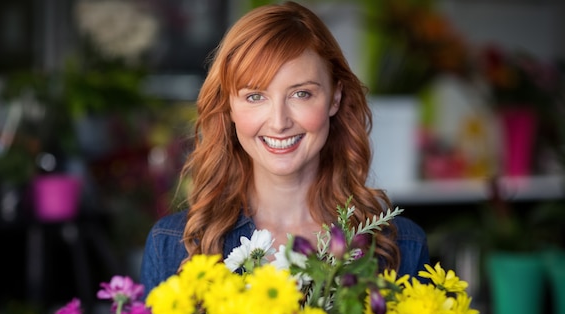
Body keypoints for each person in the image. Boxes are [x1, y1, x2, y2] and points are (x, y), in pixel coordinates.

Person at [140, 1, 429, 294]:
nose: (279, 122)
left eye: (301, 94)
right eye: (255, 96)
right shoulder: (173, 247)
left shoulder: (398, 247)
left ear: (335, 98)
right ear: (228, 105)